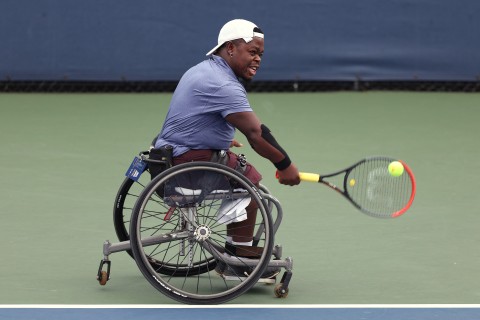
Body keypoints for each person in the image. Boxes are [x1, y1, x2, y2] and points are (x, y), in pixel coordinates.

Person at [152, 19, 300, 276]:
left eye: (261, 54)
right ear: (230, 48)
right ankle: (238, 258)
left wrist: (214, 135)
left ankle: (234, 251)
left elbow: (193, 117)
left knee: (240, 176)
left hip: (169, 157)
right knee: (249, 183)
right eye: (252, 52)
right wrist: (285, 166)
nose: (258, 60)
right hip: (186, 167)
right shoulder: (224, 84)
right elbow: (256, 134)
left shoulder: (204, 69)